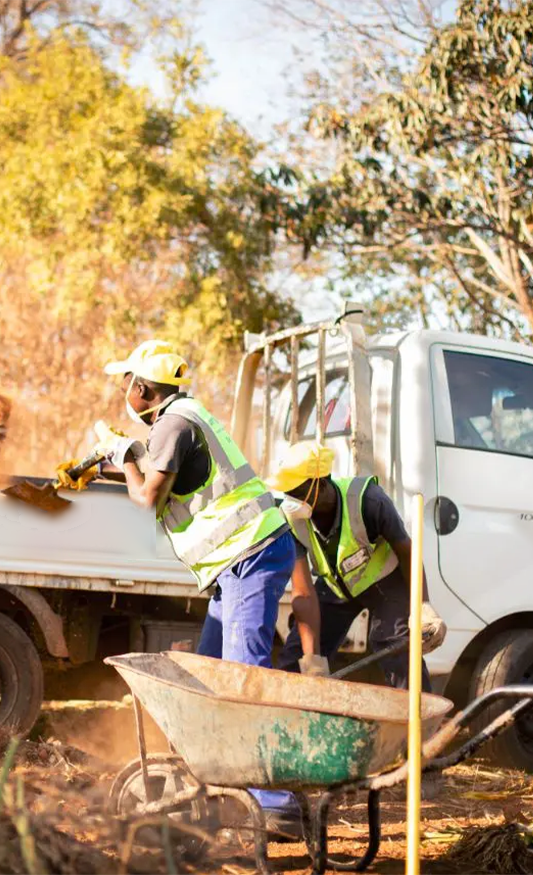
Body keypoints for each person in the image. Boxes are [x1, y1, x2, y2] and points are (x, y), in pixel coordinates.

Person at [88, 340, 322, 838]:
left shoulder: (173, 424)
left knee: (241, 680)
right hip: (238, 563)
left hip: (250, 555)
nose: (122, 390)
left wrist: (122, 455)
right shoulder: (179, 418)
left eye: (126, 382)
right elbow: (159, 473)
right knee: (205, 673)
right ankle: (215, 778)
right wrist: (118, 455)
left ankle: (276, 804)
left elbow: (147, 497)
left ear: (143, 388)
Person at [266, 442, 447, 685]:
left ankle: (419, 717)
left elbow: (407, 552)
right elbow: (303, 592)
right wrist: (312, 660)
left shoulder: (368, 500)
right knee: (297, 656)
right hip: (335, 587)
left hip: (385, 582)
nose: (289, 500)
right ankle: (291, 717)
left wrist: (422, 606)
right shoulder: (291, 518)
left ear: (319, 483)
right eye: (286, 494)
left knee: (393, 644)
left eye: (296, 492)